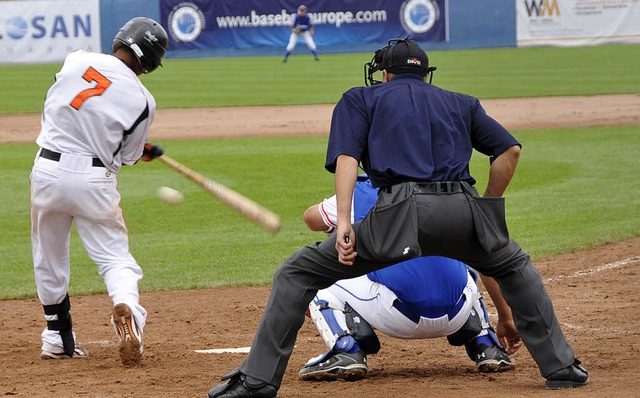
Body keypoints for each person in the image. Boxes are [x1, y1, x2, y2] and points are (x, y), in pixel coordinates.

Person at [208, 38, 588, 398]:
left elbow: (347, 159)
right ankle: (562, 368)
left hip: (400, 212)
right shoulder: (463, 102)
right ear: (426, 73)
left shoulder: (359, 99)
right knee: (516, 267)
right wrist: (487, 207)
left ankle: (257, 381)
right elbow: (510, 151)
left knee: (299, 272)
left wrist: (343, 222)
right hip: (463, 206)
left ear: (384, 74)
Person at [29, 17, 168, 368]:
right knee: (114, 258)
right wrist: (143, 152)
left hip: (47, 169)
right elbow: (128, 156)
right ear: (150, 63)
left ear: (121, 39)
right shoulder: (143, 100)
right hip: (94, 179)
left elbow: (71, 102)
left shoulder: (76, 59)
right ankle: (129, 314)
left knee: (49, 255)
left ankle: (57, 338)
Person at [298, 175, 519, 381]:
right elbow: (488, 263)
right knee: (465, 268)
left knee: (319, 272)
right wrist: (506, 317)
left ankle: (347, 348)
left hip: (396, 317)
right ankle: (485, 342)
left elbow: (311, 219)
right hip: (457, 314)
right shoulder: (453, 188)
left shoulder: (363, 190)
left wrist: (343, 222)